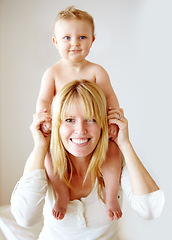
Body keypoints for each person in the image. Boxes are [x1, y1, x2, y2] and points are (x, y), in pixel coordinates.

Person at [11, 80, 165, 240]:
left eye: (91, 119)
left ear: (102, 124)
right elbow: (25, 219)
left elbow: (151, 210)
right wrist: (40, 147)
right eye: (69, 120)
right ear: (58, 125)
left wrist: (125, 144)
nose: (80, 130)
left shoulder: (113, 159)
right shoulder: (45, 160)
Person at [36, 6, 122, 221]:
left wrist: (113, 119)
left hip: (92, 129)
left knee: (113, 152)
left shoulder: (96, 71)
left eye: (82, 37)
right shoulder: (53, 72)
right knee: (49, 157)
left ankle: (111, 196)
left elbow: (110, 97)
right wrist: (44, 118)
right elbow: (44, 99)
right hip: (64, 132)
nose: (74, 43)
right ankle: (62, 192)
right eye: (67, 37)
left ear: (92, 40)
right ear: (56, 41)